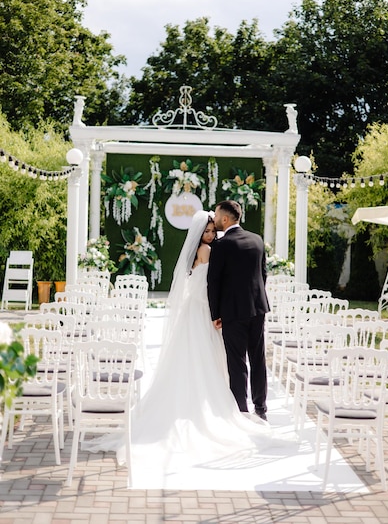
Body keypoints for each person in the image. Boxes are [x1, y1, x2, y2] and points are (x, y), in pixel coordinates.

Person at [83, 209, 278, 487]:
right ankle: (245, 406)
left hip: (210, 312)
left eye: (213, 229)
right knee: (229, 360)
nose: (212, 234)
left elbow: (218, 281)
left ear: (222, 221)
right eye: (208, 231)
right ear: (201, 233)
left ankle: (244, 405)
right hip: (213, 311)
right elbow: (216, 284)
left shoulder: (214, 248)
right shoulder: (219, 248)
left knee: (225, 360)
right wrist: (216, 312)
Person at [207, 200, 269, 421]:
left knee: (237, 361)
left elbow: (213, 282)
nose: (214, 219)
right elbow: (263, 275)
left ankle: (241, 410)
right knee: (257, 357)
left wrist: (215, 313)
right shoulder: (257, 240)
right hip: (258, 308)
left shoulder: (221, 245)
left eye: (216, 215)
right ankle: (261, 409)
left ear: (225, 219)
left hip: (233, 311)